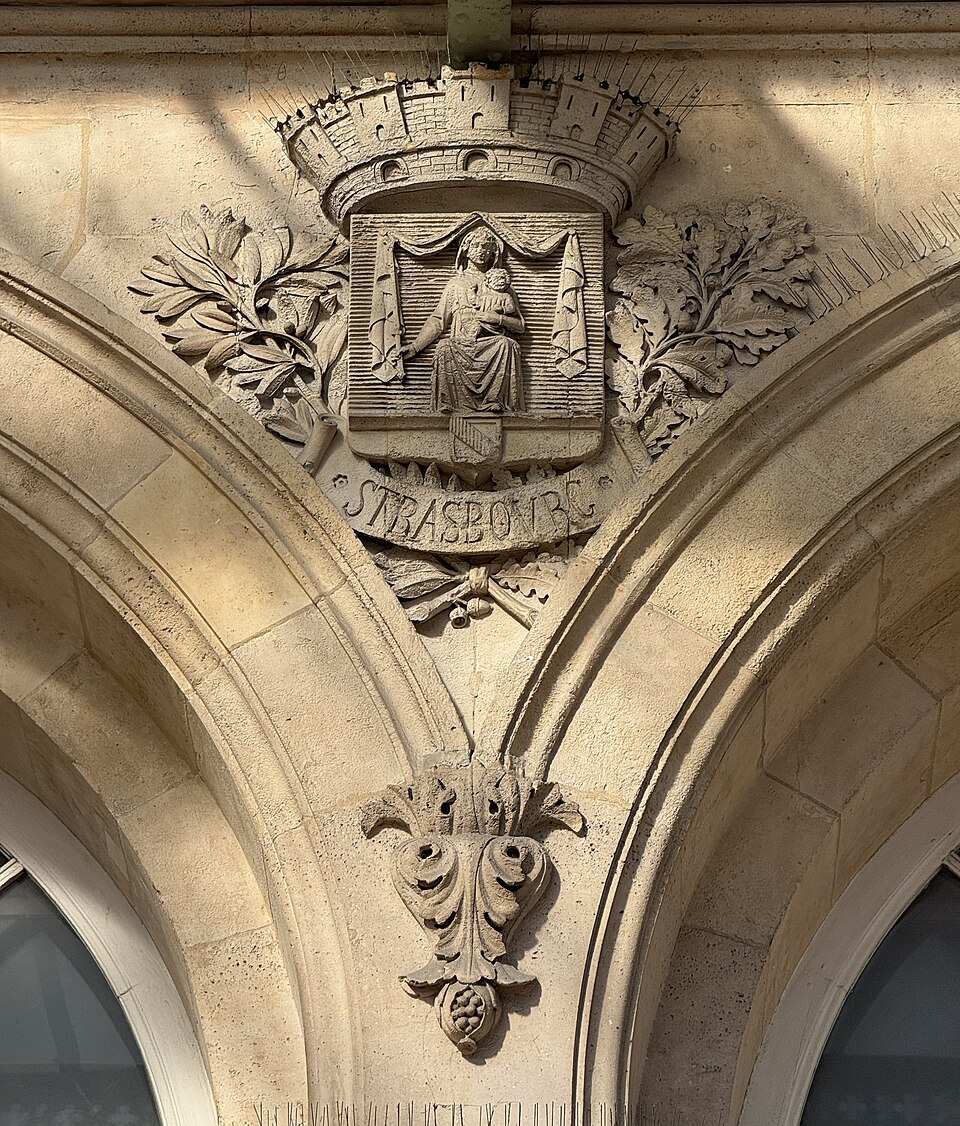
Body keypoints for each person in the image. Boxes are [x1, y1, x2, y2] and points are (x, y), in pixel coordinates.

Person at [402, 227, 525, 413]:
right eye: (476, 246)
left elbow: (520, 326)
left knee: (507, 345)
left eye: (486, 247)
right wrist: (415, 347)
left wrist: (498, 318)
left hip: (491, 343)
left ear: (493, 252)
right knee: (445, 346)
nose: (481, 251)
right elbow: (439, 320)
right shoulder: (456, 284)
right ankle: (449, 403)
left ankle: (494, 400)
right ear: (466, 250)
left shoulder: (501, 284)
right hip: (463, 342)